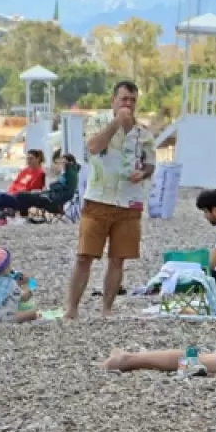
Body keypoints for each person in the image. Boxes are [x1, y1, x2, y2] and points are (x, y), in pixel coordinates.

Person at [65, 81, 156, 319]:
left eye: (132, 100)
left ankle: (107, 309)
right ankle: (72, 309)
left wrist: (144, 173)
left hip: (129, 202)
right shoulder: (97, 121)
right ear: (114, 100)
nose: (128, 104)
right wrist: (117, 123)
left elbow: (151, 163)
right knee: (85, 256)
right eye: (124, 99)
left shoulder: (144, 133)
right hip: (98, 198)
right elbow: (93, 147)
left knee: (118, 259)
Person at [0, 247, 39, 323]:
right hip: (3, 317)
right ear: (6, 267)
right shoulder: (11, 283)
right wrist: (26, 285)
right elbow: (25, 298)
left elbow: (3, 293)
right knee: (32, 314)